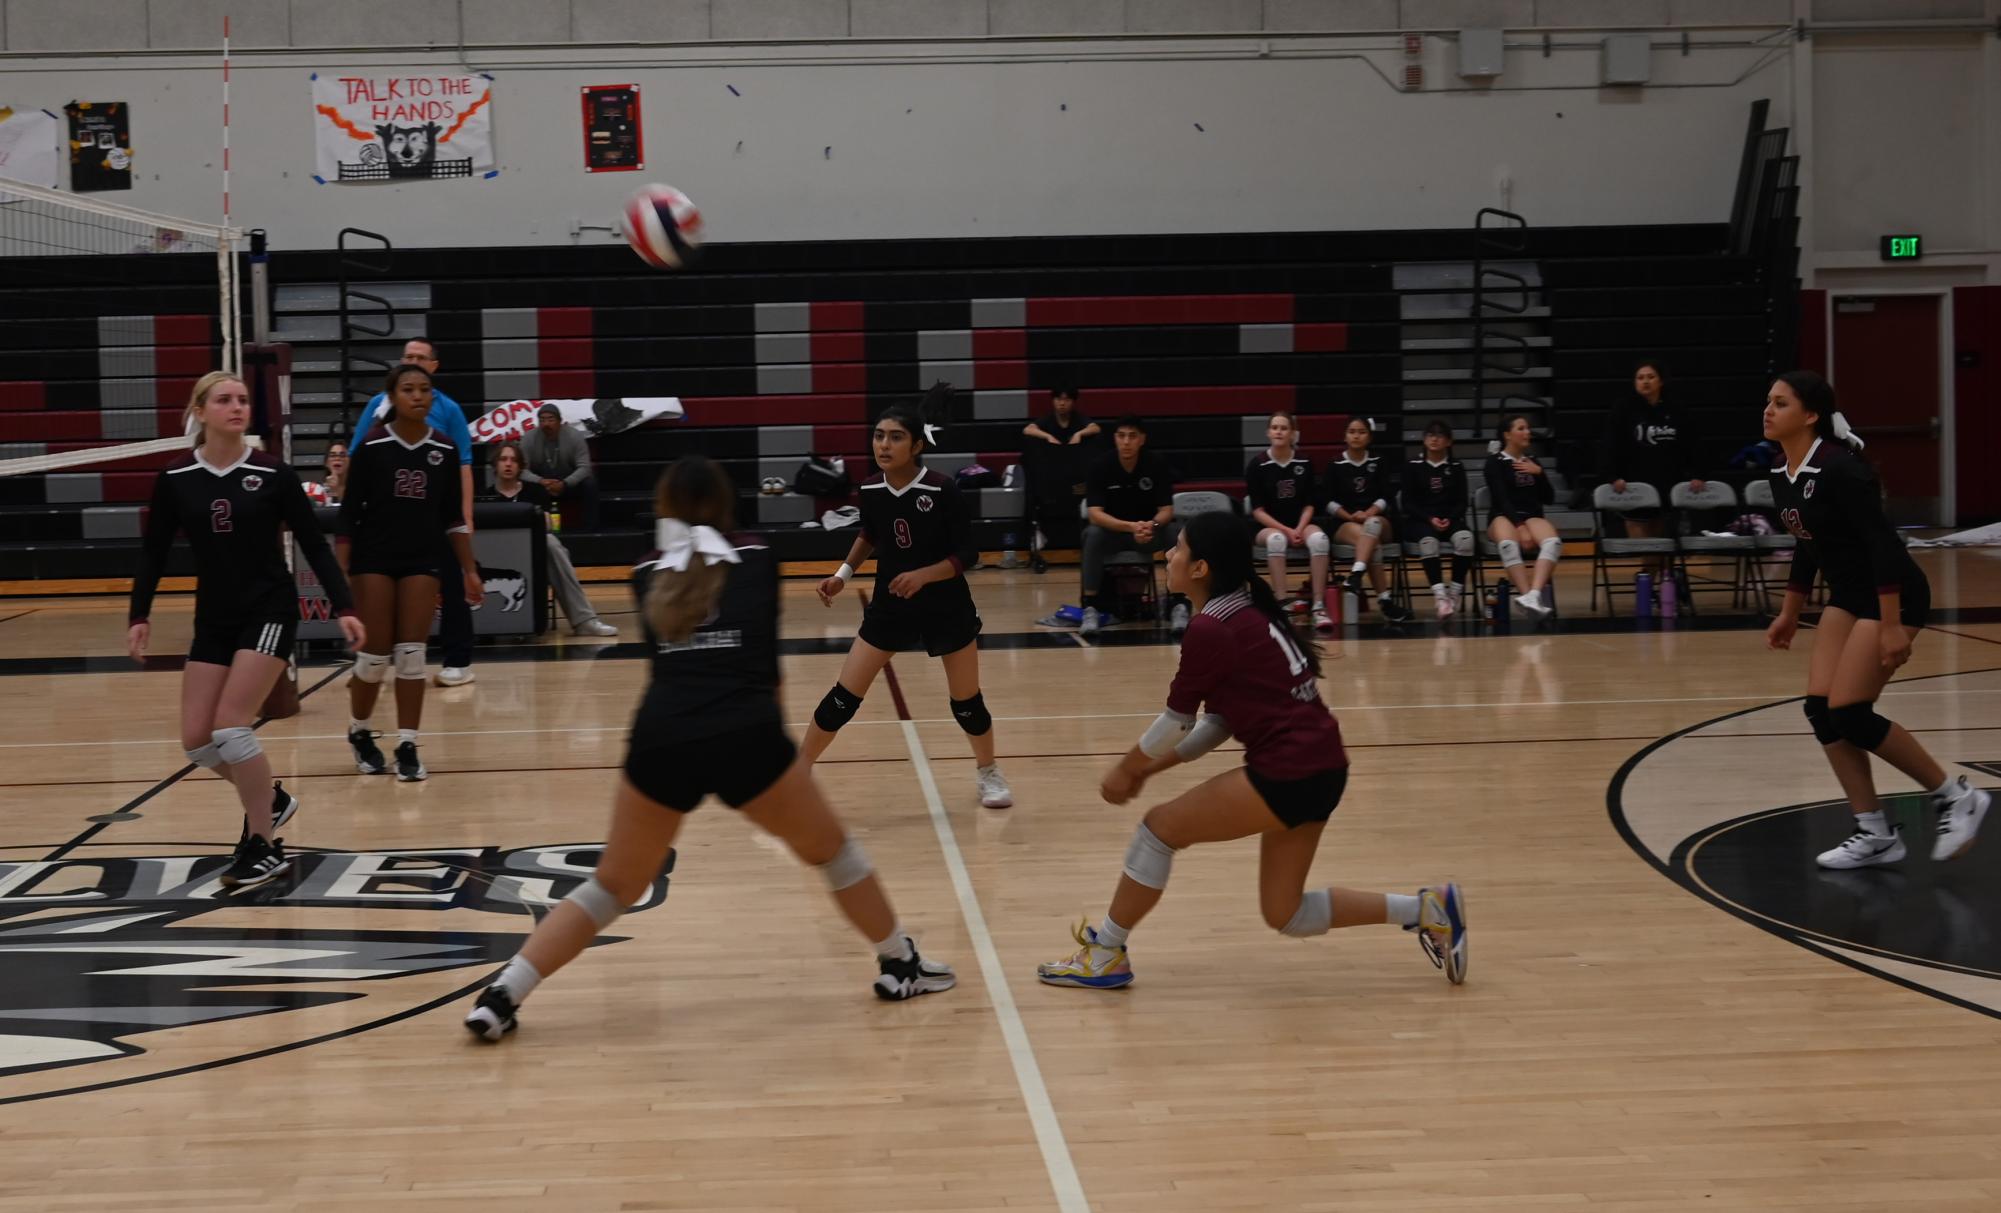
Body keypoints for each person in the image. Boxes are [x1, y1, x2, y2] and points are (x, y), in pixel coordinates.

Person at [464, 457, 956, 1041]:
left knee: (612, 886)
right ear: (726, 504)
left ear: (664, 509)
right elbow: (767, 672)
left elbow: (667, 661)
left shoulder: (646, 571)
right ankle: (899, 963)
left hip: (662, 735)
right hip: (747, 733)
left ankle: (503, 995)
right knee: (835, 854)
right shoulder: (759, 559)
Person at [1034, 510, 1467, 990]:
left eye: (1177, 548)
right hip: (1323, 768)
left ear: (1200, 569)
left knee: (1158, 831)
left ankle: (1107, 952)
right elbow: (1219, 722)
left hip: (1290, 770)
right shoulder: (1244, 607)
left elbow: (1176, 721)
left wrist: (1126, 769)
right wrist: (1150, 770)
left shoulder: (1212, 627)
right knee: (1288, 913)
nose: (1167, 555)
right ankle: (1428, 909)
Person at [127, 371, 365, 888]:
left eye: (242, 400)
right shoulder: (175, 479)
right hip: (213, 616)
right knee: (195, 741)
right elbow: (154, 552)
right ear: (200, 410)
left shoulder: (272, 474)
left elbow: (315, 544)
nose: (237, 407)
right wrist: (139, 615)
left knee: (232, 727)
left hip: (270, 611)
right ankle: (272, 800)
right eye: (224, 400)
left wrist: (343, 604)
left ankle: (263, 844)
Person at [1761, 371, 1989, 868]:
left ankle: (1955, 795)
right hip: (1849, 594)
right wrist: (1788, 613)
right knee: (1821, 713)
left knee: (1850, 713)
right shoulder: (1781, 473)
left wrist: (1889, 625)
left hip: (1894, 594)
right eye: (1769, 402)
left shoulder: (1843, 469)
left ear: (1811, 415)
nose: (1769, 410)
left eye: (1781, 403)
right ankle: (1875, 832)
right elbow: (1807, 546)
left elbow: (1884, 547)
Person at [805, 391, 1014, 809]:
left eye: (895, 437)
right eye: (879, 436)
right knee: (842, 699)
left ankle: (988, 771)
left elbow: (967, 554)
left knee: (967, 703)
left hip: (946, 606)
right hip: (890, 606)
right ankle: (798, 772)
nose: (883, 444)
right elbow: (870, 532)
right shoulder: (869, 487)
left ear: (917, 446)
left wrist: (923, 575)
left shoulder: (942, 488)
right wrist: (843, 574)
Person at [338, 364, 486, 782]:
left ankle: (407, 744)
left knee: (411, 654)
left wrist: (470, 571)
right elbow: (348, 517)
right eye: (409, 390)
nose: (418, 396)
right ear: (394, 398)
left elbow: (454, 519)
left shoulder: (444, 448)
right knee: (374, 657)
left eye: (425, 390)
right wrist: (341, 576)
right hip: (374, 560)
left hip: (423, 558)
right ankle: (359, 731)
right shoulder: (371, 446)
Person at [347, 337, 478, 687]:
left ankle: (458, 660)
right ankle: (373, 660)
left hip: (435, 519)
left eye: (422, 358)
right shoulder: (377, 406)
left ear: (434, 367)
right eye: (409, 357)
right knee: (381, 593)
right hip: (388, 522)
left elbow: (463, 464)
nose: (415, 361)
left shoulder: (448, 410)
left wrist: (465, 516)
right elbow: (356, 456)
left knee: (453, 586)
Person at [480, 441, 618, 637]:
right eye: (503, 459)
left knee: (551, 544)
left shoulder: (535, 491)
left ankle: (584, 621)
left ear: (520, 466)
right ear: (495, 465)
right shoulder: (486, 496)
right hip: (500, 555)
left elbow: (548, 524)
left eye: (513, 460)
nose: (508, 464)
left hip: (533, 552)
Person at [1080, 415, 1187, 637]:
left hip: (1149, 534)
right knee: (1092, 534)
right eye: (1121, 436)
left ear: (1142, 439)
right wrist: (1131, 527)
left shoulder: (1156, 464)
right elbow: (1094, 514)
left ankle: (1178, 603)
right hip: (1114, 534)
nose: (1126, 441)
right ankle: (1090, 607)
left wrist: (1152, 525)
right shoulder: (1100, 466)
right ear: (1115, 439)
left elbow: (1166, 510)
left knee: (1175, 533)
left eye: (1132, 436)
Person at [1600, 360, 1703, 582]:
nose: (1645, 381)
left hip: (1668, 481)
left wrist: (1697, 473)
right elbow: (1611, 443)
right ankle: (1650, 578)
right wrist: (1613, 475)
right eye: (1640, 377)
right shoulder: (1624, 408)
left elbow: (1692, 443)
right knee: (1644, 542)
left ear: (1661, 381)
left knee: (1664, 537)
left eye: (1650, 377)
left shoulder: (1676, 409)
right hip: (1634, 482)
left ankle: (1655, 583)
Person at [1245, 411, 1333, 634]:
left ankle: (1319, 606)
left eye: (1284, 428)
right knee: (1276, 540)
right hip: (1268, 526)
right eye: (1275, 427)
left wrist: (1300, 529)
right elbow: (1257, 511)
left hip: (1300, 523)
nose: (1279, 432)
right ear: (1268, 432)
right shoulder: (1258, 464)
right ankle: (1282, 604)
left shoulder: (1304, 461)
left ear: (1293, 433)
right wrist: (1285, 530)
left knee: (1320, 540)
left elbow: (1310, 504)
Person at [1325, 417, 1413, 623]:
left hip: (1378, 520)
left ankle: (1356, 574)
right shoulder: (1335, 464)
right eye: (1352, 431)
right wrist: (1350, 516)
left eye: (1361, 431)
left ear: (1370, 436)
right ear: (1345, 436)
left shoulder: (1378, 461)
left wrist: (1369, 512)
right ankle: (1385, 601)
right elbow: (1327, 501)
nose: (1356, 435)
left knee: (1372, 525)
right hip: (1346, 522)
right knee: (1372, 543)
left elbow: (1387, 495)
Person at [1484, 414, 1560, 618]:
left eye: (1528, 428)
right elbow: (1501, 500)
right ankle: (1526, 594)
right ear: (1507, 435)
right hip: (1503, 516)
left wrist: (1539, 473)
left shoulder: (1533, 461)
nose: (1527, 432)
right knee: (1508, 544)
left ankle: (1533, 596)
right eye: (1521, 428)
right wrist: (1520, 527)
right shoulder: (1494, 462)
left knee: (1553, 542)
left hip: (1531, 515)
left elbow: (1549, 498)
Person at [1400, 420, 1476, 620]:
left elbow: (1462, 502)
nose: (1434, 439)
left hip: (1450, 518)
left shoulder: (1456, 467)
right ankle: (1440, 596)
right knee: (1429, 543)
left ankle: (1454, 594)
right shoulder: (1412, 466)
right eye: (1430, 435)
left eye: (1440, 435)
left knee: (1466, 539)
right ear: (1424, 440)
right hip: (1420, 520)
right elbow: (1407, 503)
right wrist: (1429, 518)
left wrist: (1449, 519)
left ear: (1449, 441)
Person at [1021, 386, 1101, 573]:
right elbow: (1028, 429)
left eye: (1066, 399)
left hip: (1076, 481)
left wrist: (1079, 434)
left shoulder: (1078, 420)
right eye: (1058, 399)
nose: (1062, 403)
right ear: (1053, 401)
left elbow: (1095, 427)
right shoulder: (1048, 420)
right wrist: (1047, 436)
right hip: (1051, 482)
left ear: (1073, 402)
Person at [520, 404, 600, 530]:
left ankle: (591, 529)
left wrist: (565, 483)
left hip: (568, 483)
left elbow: (585, 468)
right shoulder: (529, 438)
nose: (546, 424)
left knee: (590, 483)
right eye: (542, 420)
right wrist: (540, 481)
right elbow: (521, 470)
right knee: (523, 484)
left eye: (551, 419)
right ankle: (534, 528)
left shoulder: (574, 436)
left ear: (560, 421)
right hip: (541, 485)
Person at [303, 440, 347, 505]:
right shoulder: (317, 490)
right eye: (332, 455)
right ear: (326, 463)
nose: (337, 458)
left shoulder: (358, 489)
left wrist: (337, 491)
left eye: (342, 455)